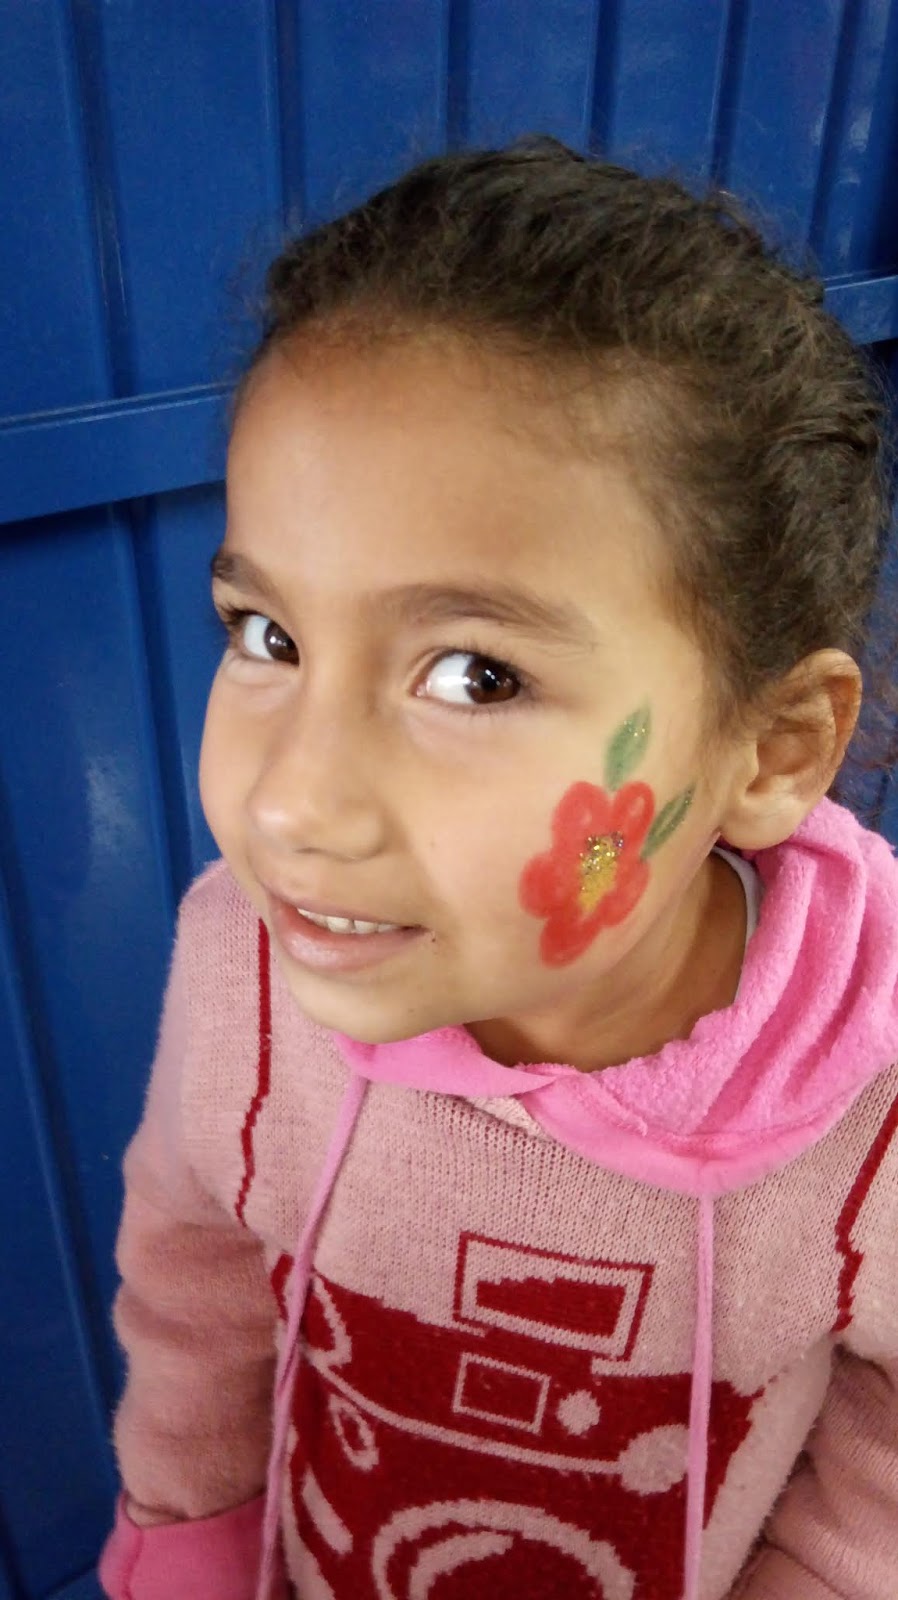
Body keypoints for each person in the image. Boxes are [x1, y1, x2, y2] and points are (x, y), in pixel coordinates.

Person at [98, 139, 898, 1600]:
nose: (291, 802)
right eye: (267, 637)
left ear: (772, 750)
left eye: (474, 675)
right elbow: (194, 1266)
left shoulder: (873, 1112)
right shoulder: (248, 968)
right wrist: (186, 1536)